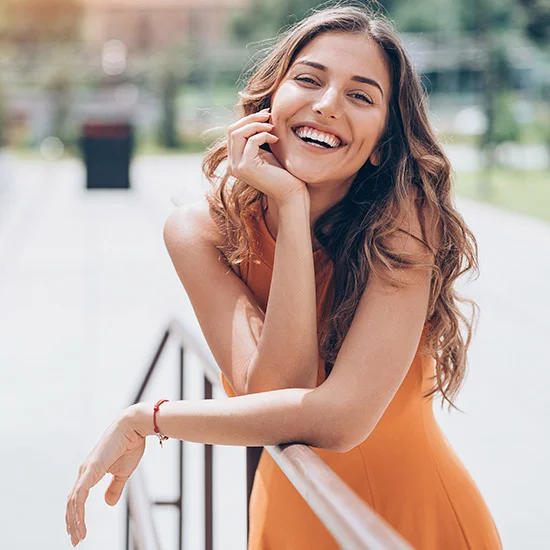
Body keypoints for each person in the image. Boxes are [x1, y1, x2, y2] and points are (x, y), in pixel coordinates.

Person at [66, 4, 503, 549]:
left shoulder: (404, 223)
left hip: (410, 524)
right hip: (288, 520)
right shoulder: (200, 233)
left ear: (381, 146)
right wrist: (292, 210)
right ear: (270, 98)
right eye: (309, 80)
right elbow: (278, 392)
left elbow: (338, 421)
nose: (326, 106)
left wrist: (150, 419)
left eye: (360, 96)